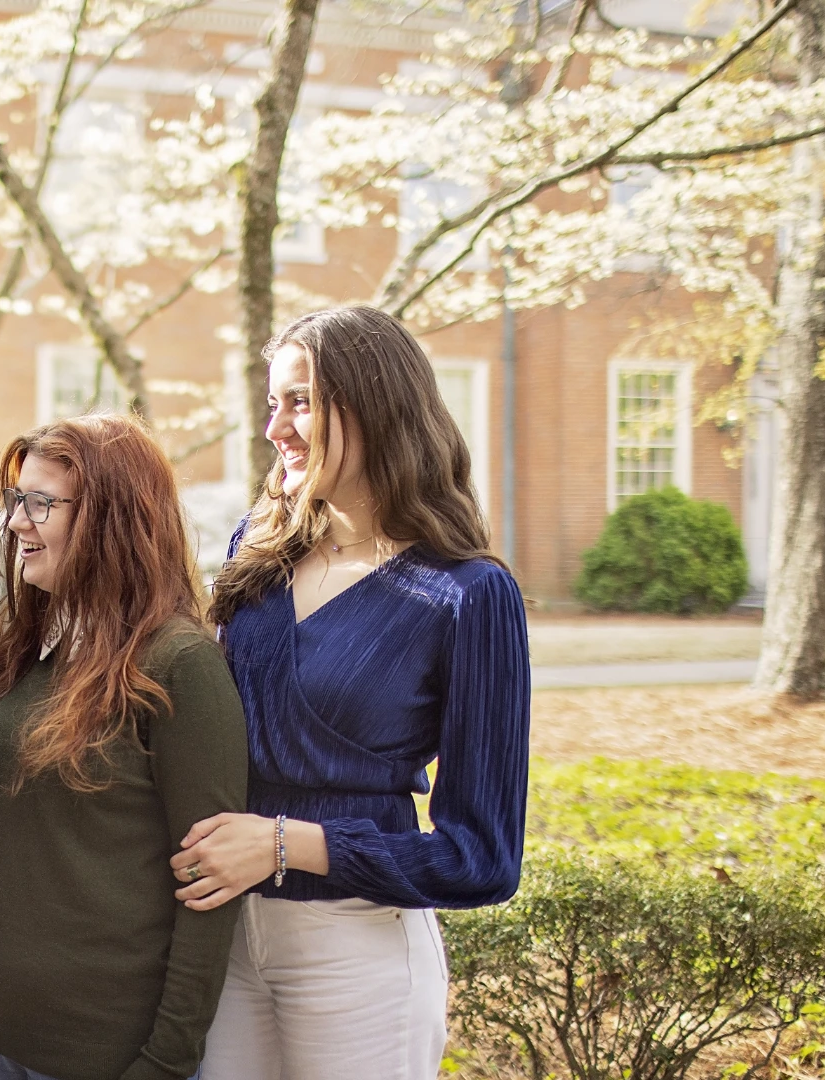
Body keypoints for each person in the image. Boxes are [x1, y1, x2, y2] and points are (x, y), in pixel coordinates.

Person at [174, 305, 531, 1080]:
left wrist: (283, 843)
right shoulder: (255, 553)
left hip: (359, 949)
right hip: (226, 943)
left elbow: (483, 858)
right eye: (273, 404)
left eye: (300, 401)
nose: (277, 428)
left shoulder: (467, 594)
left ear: (374, 403)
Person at [0, 414, 249, 1080]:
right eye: (17, 501)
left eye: (41, 503)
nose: (18, 522)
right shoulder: (21, 654)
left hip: (108, 1056)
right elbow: (3, 857)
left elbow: (210, 889)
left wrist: (166, 1062)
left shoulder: (179, 665)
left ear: (113, 518)